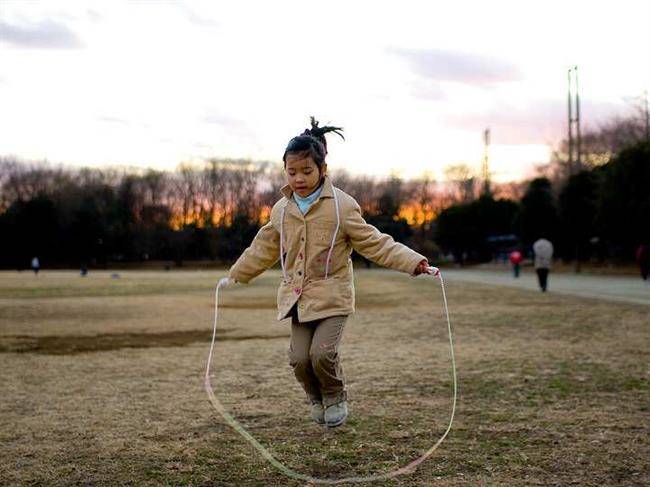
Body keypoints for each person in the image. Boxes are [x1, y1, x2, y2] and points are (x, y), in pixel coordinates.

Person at [227, 117, 433, 428]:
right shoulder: (282, 209)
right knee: (299, 359)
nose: (299, 178)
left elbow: (375, 242)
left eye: (307, 171)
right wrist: (238, 273)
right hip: (298, 297)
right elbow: (264, 246)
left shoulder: (342, 206)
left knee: (322, 354)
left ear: (323, 169)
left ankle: (335, 395)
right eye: (292, 172)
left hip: (333, 295)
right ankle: (315, 398)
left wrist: (414, 262)